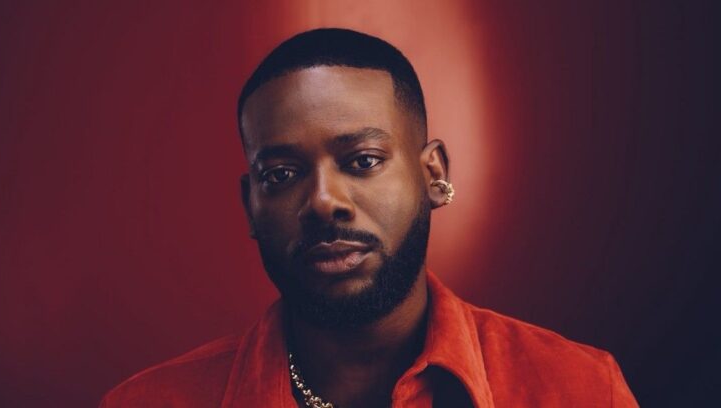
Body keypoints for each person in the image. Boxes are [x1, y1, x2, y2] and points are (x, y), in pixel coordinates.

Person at [100, 28, 638, 407]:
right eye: (281, 174)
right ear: (251, 206)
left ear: (433, 175)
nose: (323, 201)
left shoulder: (581, 388)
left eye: (362, 161)